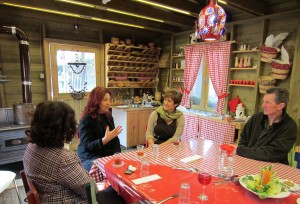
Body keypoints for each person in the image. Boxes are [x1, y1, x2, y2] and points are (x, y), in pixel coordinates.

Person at [236, 87, 297, 165]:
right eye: (263, 101)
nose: (263, 105)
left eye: (267, 102)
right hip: (248, 161)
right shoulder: (256, 117)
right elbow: (243, 138)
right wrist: (243, 151)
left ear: (281, 106)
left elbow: (271, 154)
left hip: (274, 168)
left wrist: (241, 150)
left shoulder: (289, 126)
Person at [78, 86, 122, 172]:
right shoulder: (86, 118)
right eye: (105, 100)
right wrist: (104, 140)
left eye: (109, 100)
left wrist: (117, 154)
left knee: (121, 167)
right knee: (105, 171)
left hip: (105, 154)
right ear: (96, 101)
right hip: (89, 157)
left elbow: (115, 138)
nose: (108, 103)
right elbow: (87, 146)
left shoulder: (108, 116)